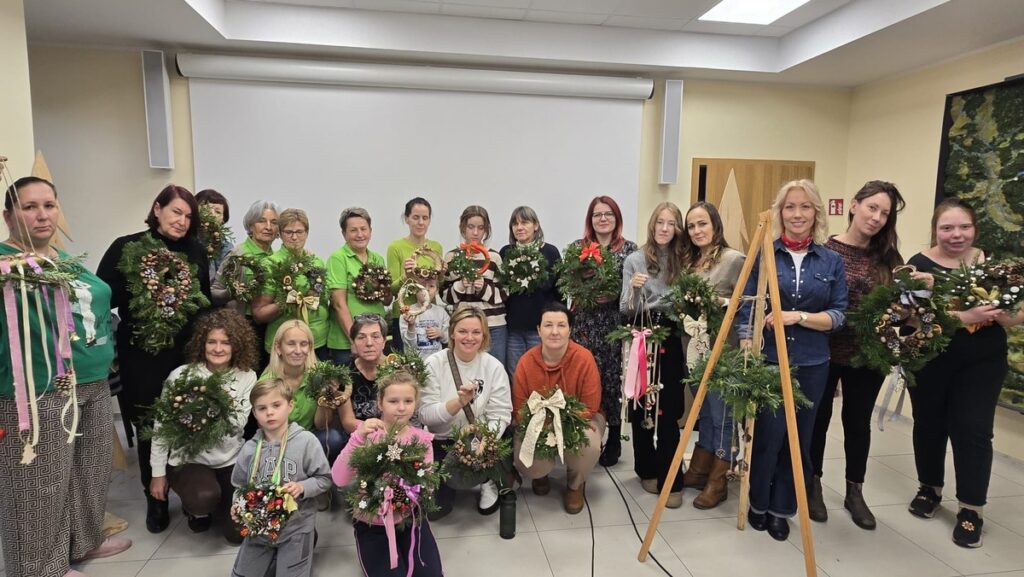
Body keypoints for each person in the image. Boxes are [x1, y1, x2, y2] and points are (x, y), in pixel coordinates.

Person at [0, 176, 130, 577]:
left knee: (88, 471)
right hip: (37, 391)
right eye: (30, 206)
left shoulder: (63, 261)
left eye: (49, 205)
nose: (43, 215)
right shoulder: (6, 266)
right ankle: (38, 567)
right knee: (41, 481)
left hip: (90, 382)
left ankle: (82, 541)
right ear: (9, 214)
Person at [905, 199, 1023, 548]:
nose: (956, 235)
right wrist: (966, 317)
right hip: (931, 358)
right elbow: (911, 318)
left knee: (973, 430)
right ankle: (929, 488)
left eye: (963, 228)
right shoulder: (918, 267)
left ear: (975, 229)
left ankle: (971, 509)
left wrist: (1003, 316)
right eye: (947, 228)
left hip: (982, 361)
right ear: (935, 230)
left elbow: (1018, 313)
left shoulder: (996, 266)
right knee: (929, 424)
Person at [737, 179, 848, 542]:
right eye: (789, 207)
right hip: (769, 359)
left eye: (804, 207)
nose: (797, 214)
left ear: (815, 212)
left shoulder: (831, 260)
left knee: (798, 438)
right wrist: (743, 341)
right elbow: (748, 302)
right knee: (768, 436)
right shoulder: (765, 254)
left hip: (813, 363)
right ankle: (757, 502)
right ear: (779, 212)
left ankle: (781, 508)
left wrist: (797, 316)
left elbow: (838, 315)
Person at [97, 184, 212, 533]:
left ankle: (194, 500)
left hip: (185, 353)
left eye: (188, 215)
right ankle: (156, 499)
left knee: (190, 423)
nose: (182, 220)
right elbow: (104, 296)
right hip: (141, 354)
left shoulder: (196, 251)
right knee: (148, 428)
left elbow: (203, 301)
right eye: (176, 211)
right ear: (157, 208)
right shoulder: (127, 247)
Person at [807, 181, 906, 530]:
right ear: (854, 205)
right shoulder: (825, 249)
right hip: (825, 350)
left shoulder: (890, 259)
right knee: (818, 418)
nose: (877, 218)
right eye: (872, 208)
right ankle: (812, 483)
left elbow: (899, 309)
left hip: (868, 356)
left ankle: (854, 490)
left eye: (884, 213)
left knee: (857, 421)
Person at [149, 309, 259, 541]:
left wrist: (213, 398)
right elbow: (161, 428)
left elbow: (237, 424)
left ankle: (221, 506)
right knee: (203, 498)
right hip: (190, 459)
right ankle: (197, 509)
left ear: (237, 345)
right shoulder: (180, 376)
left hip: (229, 458)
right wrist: (158, 473)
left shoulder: (247, 376)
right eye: (212, 342)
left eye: (226, 343)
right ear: (202, 343)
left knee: (238, 535)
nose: (218, 349)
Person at [333, 371, 444, 577]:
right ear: (380, 403)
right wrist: (357, 438)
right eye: (393, 401)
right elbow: (339, 478)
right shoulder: (366, 434)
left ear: (415, 403)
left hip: (409, 519)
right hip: (372, 522)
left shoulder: (422, 440)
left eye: (408, 401)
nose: (401, 408)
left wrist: (406, 494)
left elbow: (426, 485)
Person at [620, 202, 688, 508]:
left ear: (677, 229)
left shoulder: (683, 260)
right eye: (660, 221)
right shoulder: (635, 259)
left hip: (671, 335)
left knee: (670, 404)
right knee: (642, 402)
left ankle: (670, 473)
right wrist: (635, 292)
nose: (664, 228)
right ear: (652, 224)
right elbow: (626, 309)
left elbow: (686, 304)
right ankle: (645, 467)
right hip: (642, 336)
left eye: (671, 223)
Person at [679, 201, 745, 510]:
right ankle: (701, 466)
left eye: (702, 224)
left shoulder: (733, 260)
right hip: (693, 350)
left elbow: (749, 303)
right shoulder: (689, 263)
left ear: (715, 225)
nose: (696, 231)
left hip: (724, 351)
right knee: (703, 410)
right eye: (691, 226)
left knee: (723, 414)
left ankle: (720, 476)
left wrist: (719, 302)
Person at [230, 379, 333, 577]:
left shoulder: (306, 441)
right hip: (258, 530)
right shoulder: (249, 449)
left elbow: (324, 478)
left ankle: (297, 549)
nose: (269, 412)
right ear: (254, 413)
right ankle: (273, 558)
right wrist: (237, 505)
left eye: (276, 405)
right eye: (262, 408)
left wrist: (303, 487)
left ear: (290, 406)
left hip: (296, 527)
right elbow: (239, 486)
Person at [420, 307, 512, 518]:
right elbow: (425, 415)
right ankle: (454, 482)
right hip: (444, 439)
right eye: (462, 331)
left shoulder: (493, 366)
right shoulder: (434, 364)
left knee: (490, 452)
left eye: (476, 332)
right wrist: (458, 402)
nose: (469, 338)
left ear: (484, 335)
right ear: (452, 332)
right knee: (436, 511)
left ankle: (487, 479)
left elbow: (501, 412)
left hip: (479, 438)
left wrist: (484, 440)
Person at [513, 302, 604, 514]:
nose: (555, 332)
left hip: (578, 420)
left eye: (561, 325)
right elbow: (519, 408)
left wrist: (560, 424)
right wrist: (544, 426)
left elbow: (590, 407)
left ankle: (575, 484)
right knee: (528, 461)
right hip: (537, 422)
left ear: (570, 330)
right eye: (548, 325)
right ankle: (541, 475)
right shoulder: (526, 362)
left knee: (588, 444)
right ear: (538, 329)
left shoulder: (584, 359)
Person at [568, 196, 638, 467]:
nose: (603, 219)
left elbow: (634, 289)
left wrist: (614, 294)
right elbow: (570, 283)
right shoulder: (578, 248)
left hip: (615, 325)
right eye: (597, 214)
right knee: (583, 382)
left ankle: (613, 441)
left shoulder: (630, 250)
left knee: (612, 384)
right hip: (585, 325)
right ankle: (581, 437)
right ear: (590, 219)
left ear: (617, 218)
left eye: (608, 214)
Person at [262, 320, 345, 464]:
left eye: (304, 344)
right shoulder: (267, 383)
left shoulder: (317, 374)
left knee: (334, 438)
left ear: (310, 348)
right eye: (291, 344)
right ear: (278, 348)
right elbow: (269, 432)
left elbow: (320, 425)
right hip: (279, 441)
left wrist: (324, 398)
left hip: (311, 436)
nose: (298, 350)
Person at [252, 209, 329, 360]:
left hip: (318, 340)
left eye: (299, 232)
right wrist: (290, 301)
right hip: (286, 344)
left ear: (307, 233)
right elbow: (259, 313)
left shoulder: (316, 261)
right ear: (279, 234)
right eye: (289, 232)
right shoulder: (270, 263)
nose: (294, 237)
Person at [211, 201, 279, 372]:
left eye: (274, 222)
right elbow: (214, 292)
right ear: (251, 225)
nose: (268, 227)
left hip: (271, 327)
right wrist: (234, 291)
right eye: (262, 221)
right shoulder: (238, 254)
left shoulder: (278, 258)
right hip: (244, 325)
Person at [442, 206, 508, 366]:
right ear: (463, 228)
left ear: (486, 230)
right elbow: (445, 296)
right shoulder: (452, 257)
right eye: (471, 227)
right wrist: (460, 285)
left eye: (480, 228)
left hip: (493, 326)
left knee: (495, 369)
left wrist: (482, 288)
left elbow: (504, 294)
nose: (475, 233)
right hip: (464, 326)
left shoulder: (494, 257)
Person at [499, 206, 561, 376]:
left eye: (524, 222)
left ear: (536, 225)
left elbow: (559, 292)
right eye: (515, 223)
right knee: (516, 374)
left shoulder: (550, 252)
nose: (519, 227)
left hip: (541, 328)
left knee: (541, 373)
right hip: (514, 329)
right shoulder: (506, 253)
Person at [327, 207, 388, 365]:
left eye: (363, 229)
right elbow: (339, 304)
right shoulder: (338, 258)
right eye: (353, 230)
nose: (360, 234)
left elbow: (386, 299)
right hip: (347, 343)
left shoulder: (377, 259)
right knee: (350, 388)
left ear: (370, 231)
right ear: (344, 234)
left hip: (375, 340)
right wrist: (354, 340)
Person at [386, 198, 444, 352]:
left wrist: (443, 274)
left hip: (431, 314)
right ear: (406, 219)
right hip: (405, 315)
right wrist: (406, 275)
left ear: (429, 220)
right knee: (407, 363)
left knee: (432, 356)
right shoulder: (395, 247)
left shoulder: (436, 247)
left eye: (425, 218)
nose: (420, 222)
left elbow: (438, 285)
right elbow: (392, 290)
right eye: (415, 217)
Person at [334, 313, 390, 434]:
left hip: (394, 434)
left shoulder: (397, 368)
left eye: (375, 336)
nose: (369, 343)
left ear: (384, 341)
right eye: (361, 337)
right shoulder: (345, 374)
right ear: (353, 342)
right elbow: (348, 422)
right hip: (359, 436)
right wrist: (375, 432)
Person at [399, 275, 450, 359]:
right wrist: (411, 326)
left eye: (431, 286)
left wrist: (441, 334)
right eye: (422, 286)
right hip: (415, 362)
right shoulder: (408, 312)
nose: (426, 290)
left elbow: (449, 339)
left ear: (437, 291)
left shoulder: (441, 312)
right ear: (415, 290)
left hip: (436, 362)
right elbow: (408, 343)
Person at [196, 188, 233, 280]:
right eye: (206, 209)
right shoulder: (183, 240)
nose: (212, 214)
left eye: (218, 212)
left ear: (223, 220)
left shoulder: (226, 247)